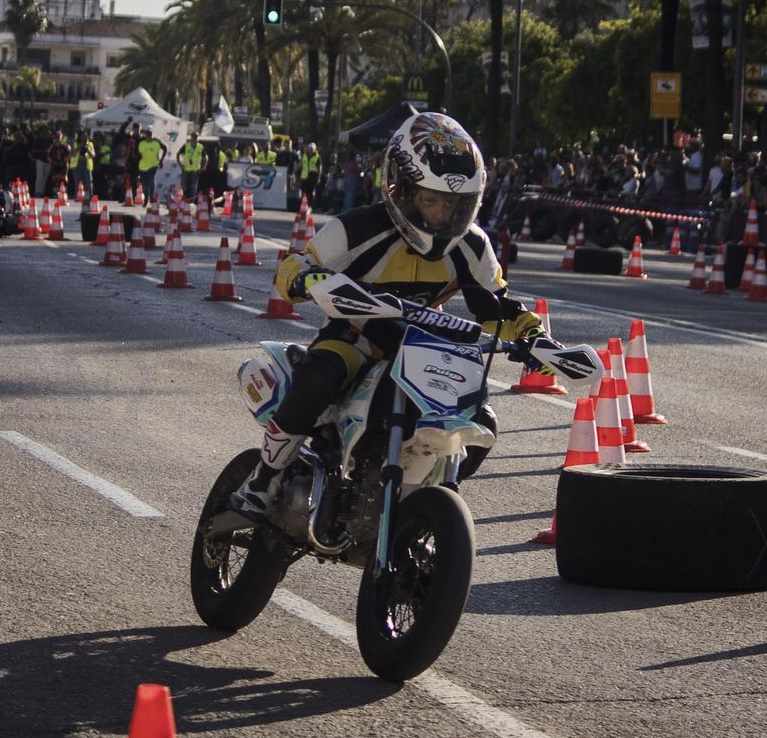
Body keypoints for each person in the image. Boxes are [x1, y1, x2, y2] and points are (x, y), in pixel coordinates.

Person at [229, 112, 545, 519]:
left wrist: (537, 340)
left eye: (454, 205)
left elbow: (497, 307)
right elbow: (295, 267)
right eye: (431, 200)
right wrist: (309, 280)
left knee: (482, 417)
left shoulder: (473, 247)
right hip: (355, 337)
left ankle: (423, 504)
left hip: (422, 348)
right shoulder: (357, 229)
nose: (442, 216)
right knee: (321, 372)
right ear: (403, 190)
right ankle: (264, 477)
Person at [135, 125, 166, 198]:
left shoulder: (156, 141)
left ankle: (151, 196)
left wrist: (161, 160)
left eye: (150, 133)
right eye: (148, 133)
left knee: (151, 180)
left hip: (153, 164)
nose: (149, 134)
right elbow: (137, 151)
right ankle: (146, 197)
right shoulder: (141, 141)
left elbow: (165, 148)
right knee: (145, 182)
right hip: (144, 165)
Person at [178, 131, 205, 199]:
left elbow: (205, 157)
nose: (195, 138)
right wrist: (180, 164)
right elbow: (178, 154)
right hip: (186, 169)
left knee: (193, 186)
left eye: (196, 137)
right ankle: (182, 198)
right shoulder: (186, 145)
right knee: (183, 185)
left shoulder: (200, 147)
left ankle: (190, 199)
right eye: (193, 137)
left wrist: (203, 166)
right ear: (191, 137)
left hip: (195, 169)